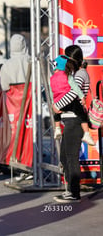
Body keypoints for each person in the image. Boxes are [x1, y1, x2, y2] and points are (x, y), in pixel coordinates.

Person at [52, 45, 90, 203]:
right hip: (69, 119)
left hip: (75, 119)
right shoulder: (74, 74)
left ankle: (74, 192)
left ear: (72, 60)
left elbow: (74, 93)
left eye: (66, 58)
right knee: (64, 156)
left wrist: (57, 105)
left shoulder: (80, 74)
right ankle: (71, 190)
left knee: (71, 157)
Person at [50, 55, 95, 146]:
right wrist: (82, 97)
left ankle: (57, 128)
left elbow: (52, 91)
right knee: (82, 113)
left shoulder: (52, 78)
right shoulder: (68, 76)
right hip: (69, 102)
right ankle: (86, 134)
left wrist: (54, 103)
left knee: (57, 113)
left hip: (58, 101)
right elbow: (75, 88)